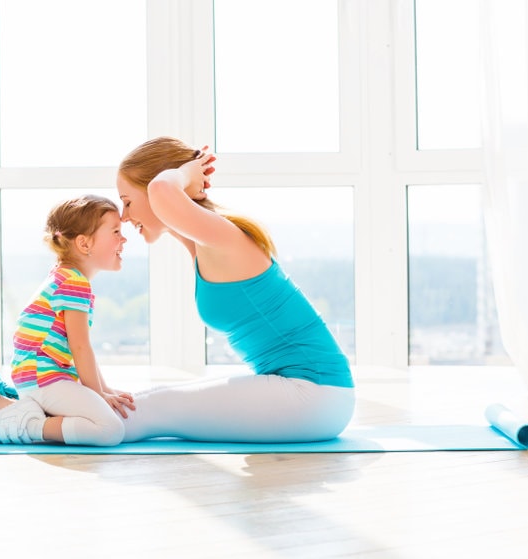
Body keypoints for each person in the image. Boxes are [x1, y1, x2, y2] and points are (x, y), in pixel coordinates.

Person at [115, 136, 355, 443]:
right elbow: (165, 198)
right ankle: (59, 419)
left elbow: (161, 191)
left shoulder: (225, 236)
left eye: (127, 201)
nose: (123, 216)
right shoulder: (204, 244)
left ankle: (46, 429)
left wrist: (187, 174)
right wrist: (185, 184)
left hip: (315, 394)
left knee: (155, 409)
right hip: (309, 394)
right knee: (149, 398)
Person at [0, 194, 135, 446]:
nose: (124, 238)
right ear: (84, 244)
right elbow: (80, 348)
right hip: (46, 380)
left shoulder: (66, 277)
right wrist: (98, 394)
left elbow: (80, 349)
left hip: (38, 377)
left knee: (106, 417)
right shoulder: (74, 283)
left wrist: (103, 390)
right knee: (109, 430)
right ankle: (12, 420)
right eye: (116, 231)